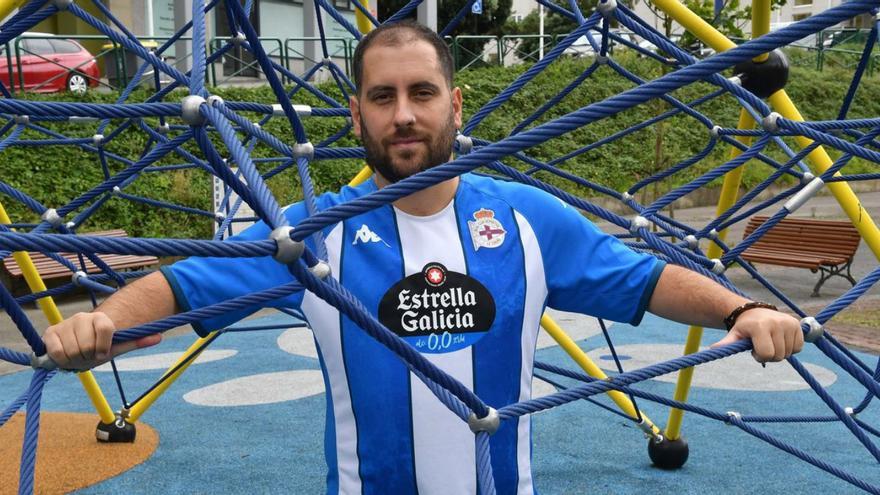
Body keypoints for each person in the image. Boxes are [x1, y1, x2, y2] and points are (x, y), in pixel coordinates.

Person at [43, 20, 803, 495]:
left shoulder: (527, 217)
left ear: (455, 104)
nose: (403, 114)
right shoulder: (311, 235)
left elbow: (645, 280)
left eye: (421, 92)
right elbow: (181, 282)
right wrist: (100, 321)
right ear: (358, 112)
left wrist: (743, 307)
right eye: (382, 96)